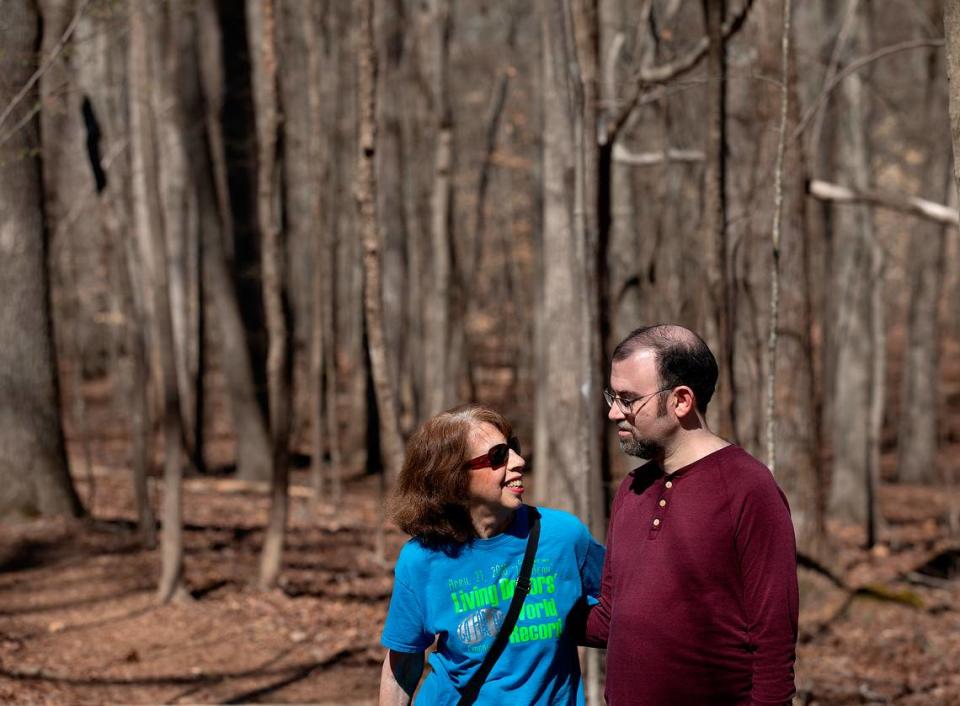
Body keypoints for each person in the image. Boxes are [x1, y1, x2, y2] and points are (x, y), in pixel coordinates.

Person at [582, 324, 799, 706]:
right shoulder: (631, 489)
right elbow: (608, 620)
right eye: (611, 397)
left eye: (628, 399)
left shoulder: (747, 488)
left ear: (681, 400)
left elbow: (773, 640)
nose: (614, 412)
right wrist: (530, 613)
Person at [379, 404, 605, 706]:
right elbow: (401, 667)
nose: (519, 461)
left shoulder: (564, 537)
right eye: (499, 456)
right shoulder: (421, 559)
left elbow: (625, 605)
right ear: (454, 478)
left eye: (513, 448)